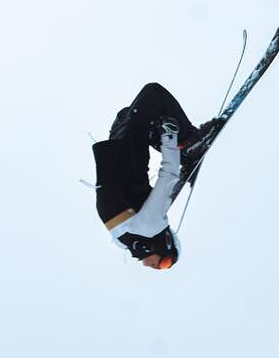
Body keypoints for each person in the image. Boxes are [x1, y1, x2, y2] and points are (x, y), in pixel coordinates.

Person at [91, 82, 220, 269]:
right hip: (121, 142)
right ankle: (181, 143)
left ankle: (188, 143)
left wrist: (170, 136)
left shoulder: (148, 228)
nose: (153, 266)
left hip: (127, 145)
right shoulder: (129, 239)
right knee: (140, 114)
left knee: (154, 94)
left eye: (164, 264)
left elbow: (169, 176)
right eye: (164, 263)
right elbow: (160, 193)